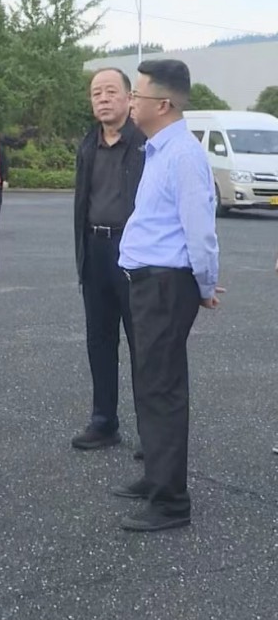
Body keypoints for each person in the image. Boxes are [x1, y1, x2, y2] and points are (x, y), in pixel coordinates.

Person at [112, 59, 220, 532]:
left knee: (162, 388)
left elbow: (200, 230)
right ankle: (157, 476)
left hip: (165, 285)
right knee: (149, 382)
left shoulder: (183, 155)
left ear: (164, 104)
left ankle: (171, 501)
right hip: (149, 282)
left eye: (136, 95)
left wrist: (204, 284)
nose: (129, 101)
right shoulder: (159, 150)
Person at [71, 69, 146, 452]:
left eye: (111, 92)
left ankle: (152, 431)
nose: (102, 98)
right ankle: (104, 421)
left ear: (130, 99)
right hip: (95, 250)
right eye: (96, 93)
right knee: (99, 340)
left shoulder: (145, 145)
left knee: (143, 343)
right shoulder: (89, 144)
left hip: (134, 253)